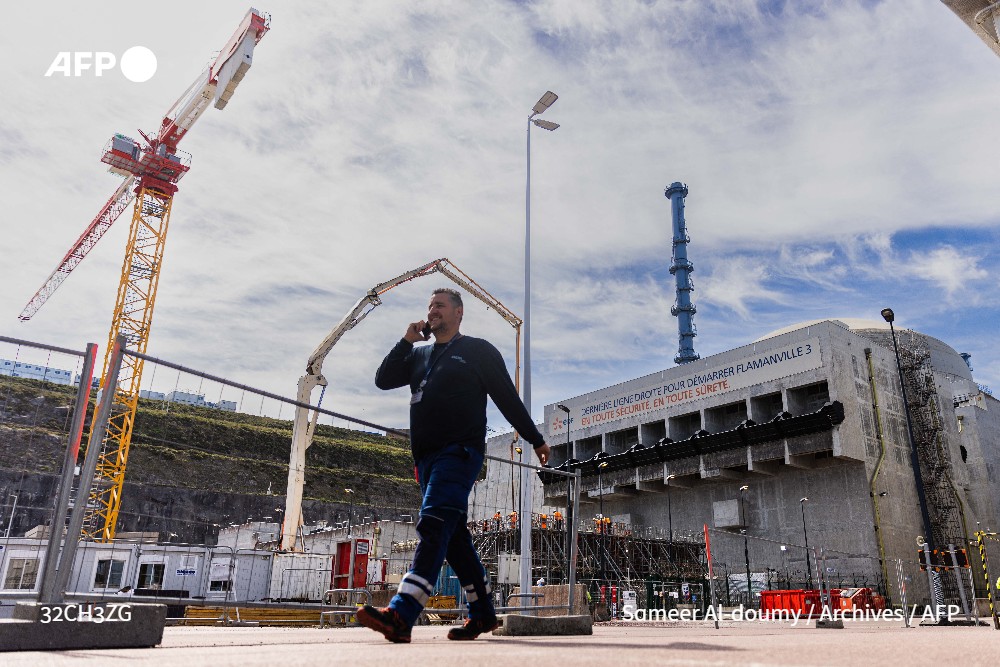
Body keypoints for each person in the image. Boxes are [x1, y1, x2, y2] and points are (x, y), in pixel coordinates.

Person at [357, 288, 549, 643]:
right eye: (429, 305)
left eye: (440, 306)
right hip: (426, 460)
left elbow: (506, 396)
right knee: (455, 538)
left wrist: (534, 438)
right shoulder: (419, 354)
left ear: (459, 313)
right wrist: (406, 340)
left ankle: (403, 613)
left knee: (433, 523)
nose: (433, 311)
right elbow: (383, 380)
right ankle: (483, 615)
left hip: (459, 452)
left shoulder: (478, 351)